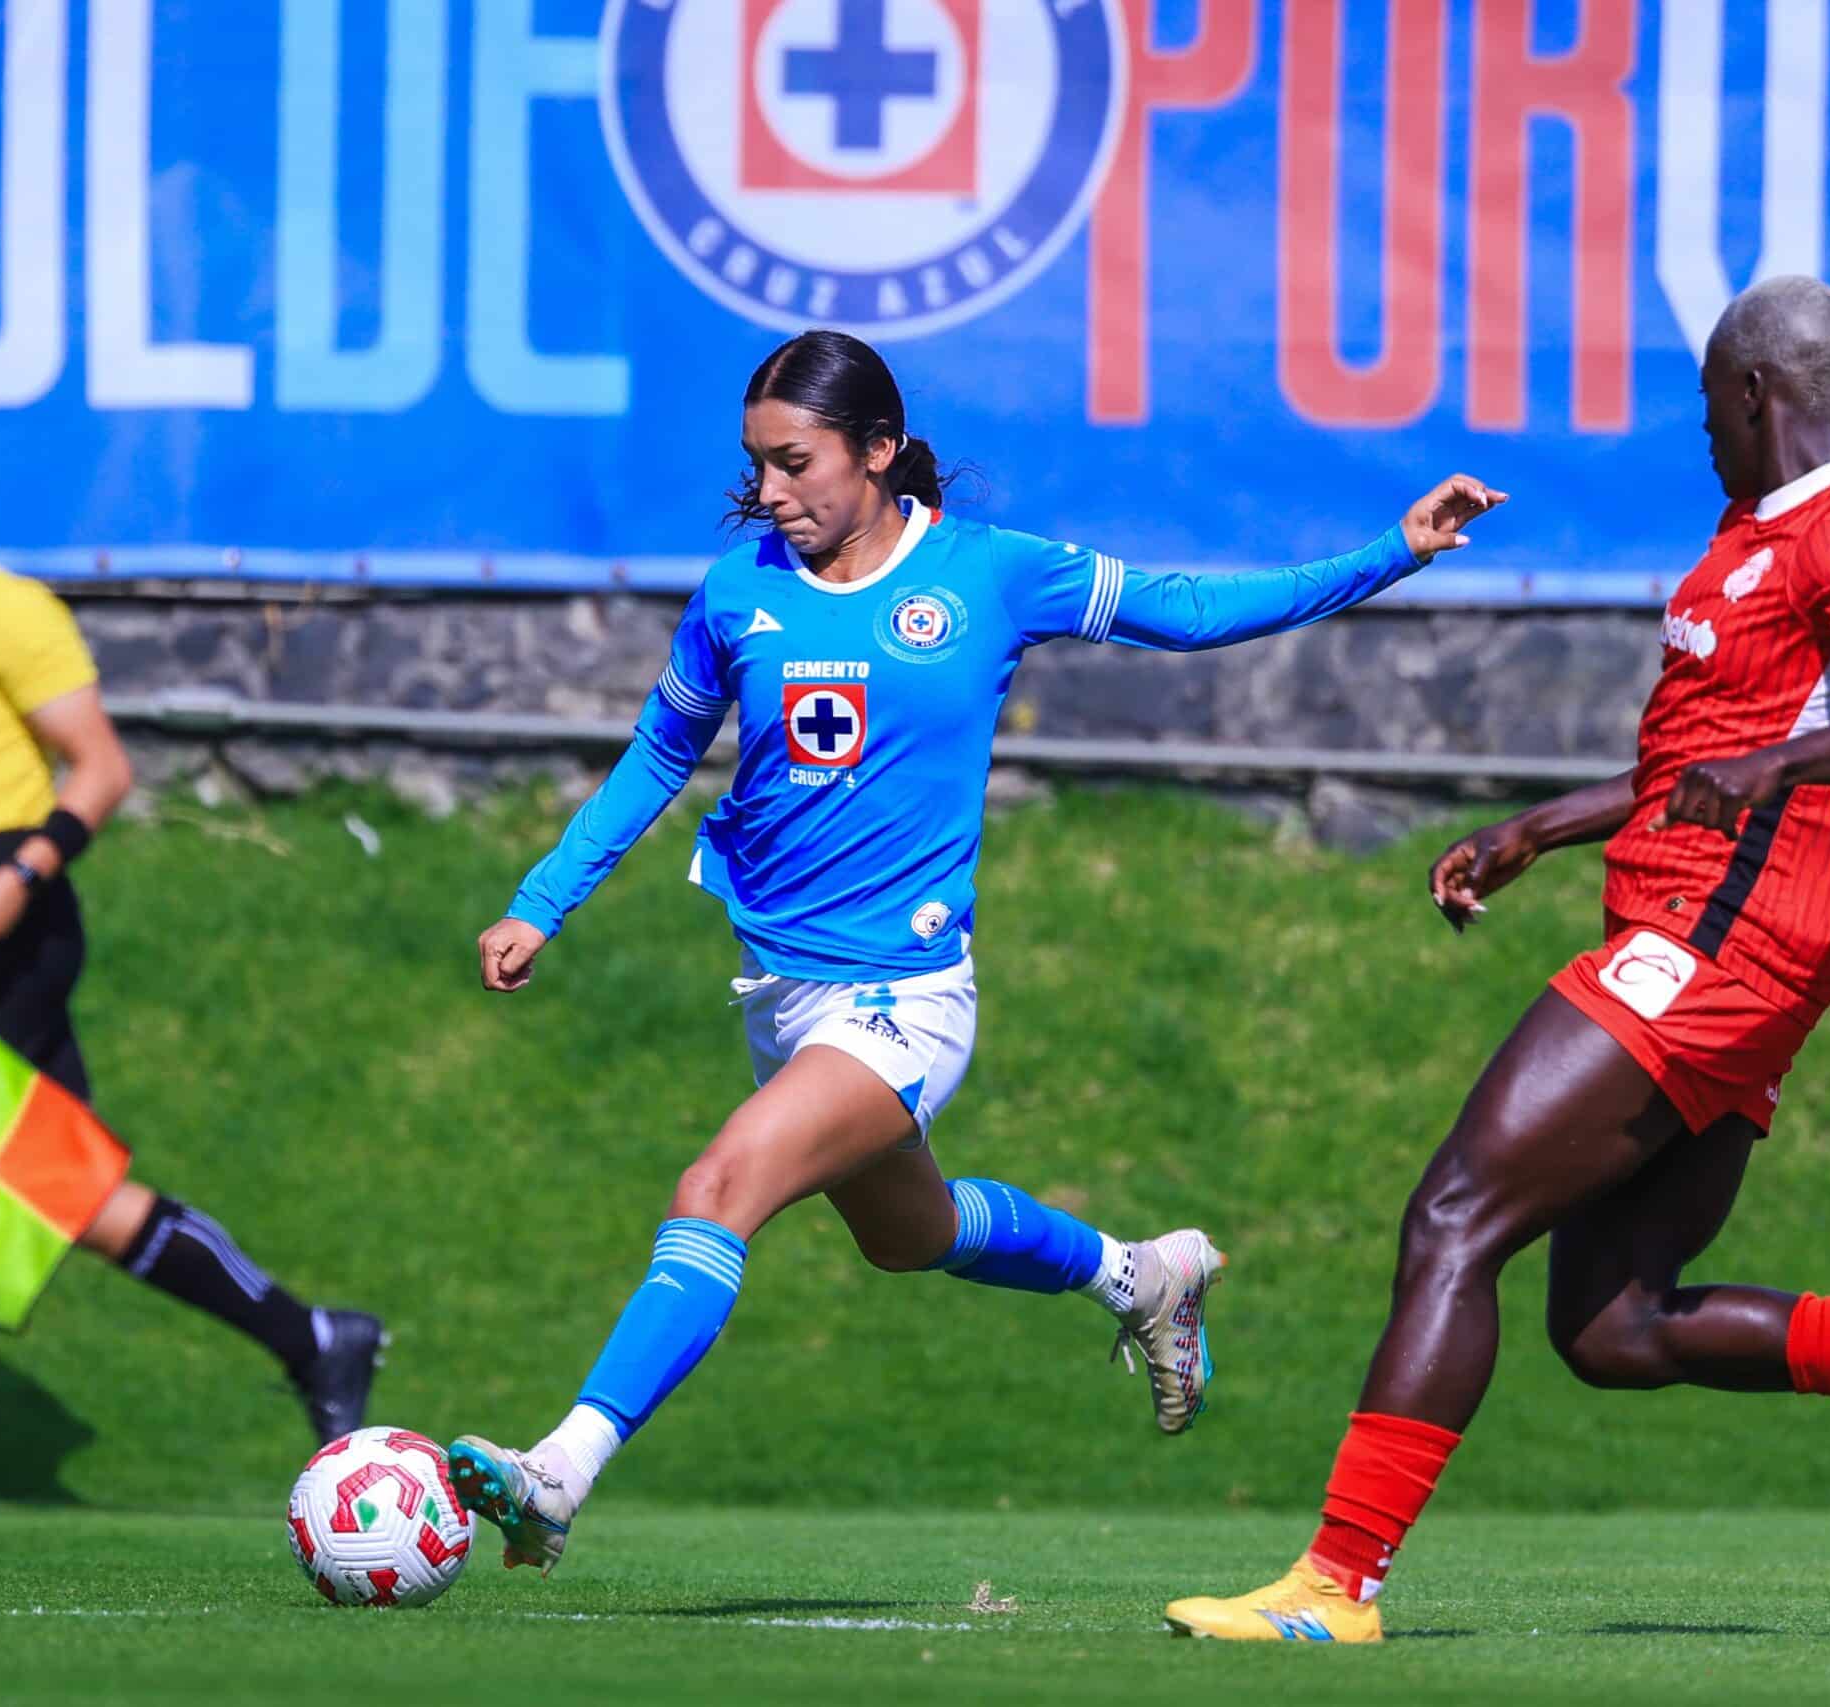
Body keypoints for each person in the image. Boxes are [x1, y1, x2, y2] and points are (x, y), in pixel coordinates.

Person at [447, 330, 1505, 1574]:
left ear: (879, 450)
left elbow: (1196, 611)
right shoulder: (737, 593)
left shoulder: (992, 575)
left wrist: (1396, 549)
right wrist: (544, 896)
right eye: (759, 467)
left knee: (717, 1190)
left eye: (797, 464)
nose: (773, 493)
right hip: (780, 997)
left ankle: (559, 1472)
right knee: (912, 1234)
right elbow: (659, 756)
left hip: (904, 999)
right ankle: (1141, 1276)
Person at [1162, 277, 1830, 1643]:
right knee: (1611, 1326)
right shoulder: (1745, 540)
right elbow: (1690, 767)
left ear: (1758, 391)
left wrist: (1772, 765)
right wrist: (1542, 825)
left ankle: (1334, 1584)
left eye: (1711, 398)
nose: (1703, 425)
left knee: (1453, 1217)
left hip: (1716, 951)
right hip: (1713, 951)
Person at [0, 392, 384, 1443]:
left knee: (49, 1183)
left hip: (0, 915)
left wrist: (20, 876)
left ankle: (312, 1336)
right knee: (71, 1195)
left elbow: (101, 771)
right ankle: (311, 1338)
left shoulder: (0, 608)